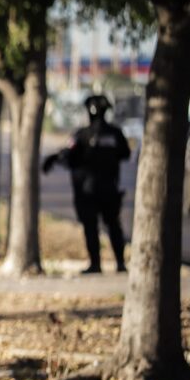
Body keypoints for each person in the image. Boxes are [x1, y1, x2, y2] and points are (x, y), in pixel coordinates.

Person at [42, 94, 131, 274]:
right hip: (109, 189)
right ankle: (120, 263)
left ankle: (96, 264)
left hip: (87, 190)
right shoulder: (115, 134)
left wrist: (52, 159)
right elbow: (125, 154)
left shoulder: (83, 134)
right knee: (114, 226)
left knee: (92, 228)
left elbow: (67, 154)